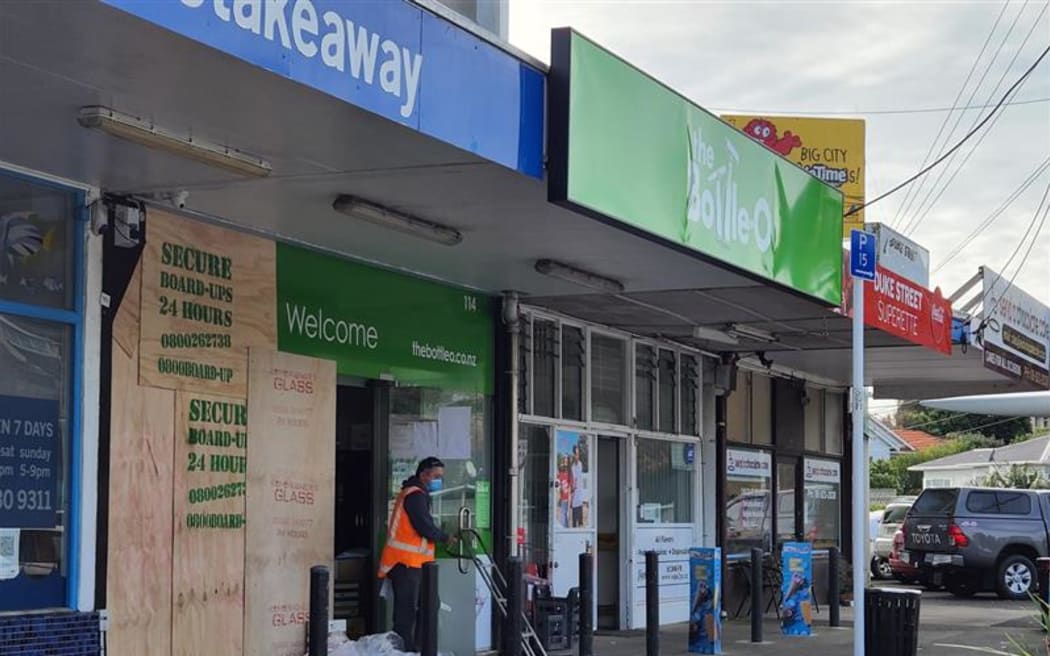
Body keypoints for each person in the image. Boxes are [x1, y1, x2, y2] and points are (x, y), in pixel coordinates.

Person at [377, 457, 457, 651]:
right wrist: (444, 536)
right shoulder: (415, 495)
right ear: (424, 474)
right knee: (407, 614)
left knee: (428, 607)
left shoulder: (416, 493)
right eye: (436, 476)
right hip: (405, 564)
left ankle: (419, 649)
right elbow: (424, 526)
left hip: (416, 564)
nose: (438, 481)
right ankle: (405, 650)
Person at [571, 445, 586, 527]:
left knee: (579, 506)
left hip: (579, 489)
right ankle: (574, 524)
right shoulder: (573, 466)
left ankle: (580, 522)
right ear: (573, 454)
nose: (577, 455)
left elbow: (579, 477)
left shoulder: (580, 464)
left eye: (578, 453)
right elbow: (574, 478)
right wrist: (573, 489)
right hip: (575, 489)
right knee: (574, 506)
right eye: (576, 453)